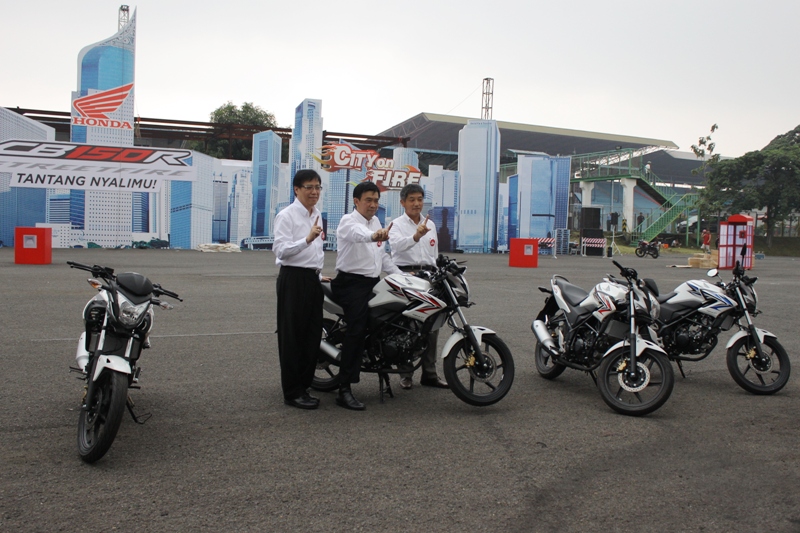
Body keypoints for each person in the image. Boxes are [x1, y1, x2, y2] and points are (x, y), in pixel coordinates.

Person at [331, 181, 401, 410]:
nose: (373, 204)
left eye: (376, 200)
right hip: (350, 284)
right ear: (356, 201)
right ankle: (344, 389)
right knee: (357, 328)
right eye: (368, 200)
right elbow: (360, 235)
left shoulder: (376, 222)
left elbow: (383, 257)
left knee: (392, 317)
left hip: (372, 282)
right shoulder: (348, 221)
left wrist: (403, 278)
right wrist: (375, 235)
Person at [272, 169, 326, 410]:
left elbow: (317, 251)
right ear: (296, 189)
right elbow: (281, 251)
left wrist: (318, 273)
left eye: (317, 187)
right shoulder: (286, 216)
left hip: (312, 279)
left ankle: (304, 386)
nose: (314, 192)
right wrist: (306, 239)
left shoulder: (317, 214)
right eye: (309, 187)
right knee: (292, 337)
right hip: (293, 279)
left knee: (312, 336)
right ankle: (292, 392)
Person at [388, 183, 448, 391]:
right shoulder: (396, 224)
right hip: (406, 278)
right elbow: (396, 246)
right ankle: (405, 374)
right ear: (403, 202)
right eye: (412, 200)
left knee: (432, 326)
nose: (416, 203)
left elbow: (433, 254)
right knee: (407, 326)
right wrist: (416, 236)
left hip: (429, 278)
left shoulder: (430, 224)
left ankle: (430, 374)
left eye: (420, 199)